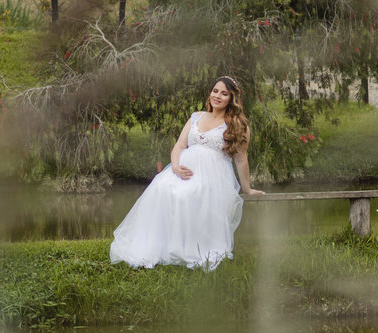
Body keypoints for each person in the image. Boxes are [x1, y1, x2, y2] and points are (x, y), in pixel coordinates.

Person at [110, 76, 264, 272]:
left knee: (187, 194)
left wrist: (247, 189)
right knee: (162, 188)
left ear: (232, 99)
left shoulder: (237, 125)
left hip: (213, 176)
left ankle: (190, 248)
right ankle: (163, 246)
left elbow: (241, 159)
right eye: (215, 91)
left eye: (224, 93)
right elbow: (179, 146)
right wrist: (175, 166)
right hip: (182, 170)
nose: (218, 96)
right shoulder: (196, 117)